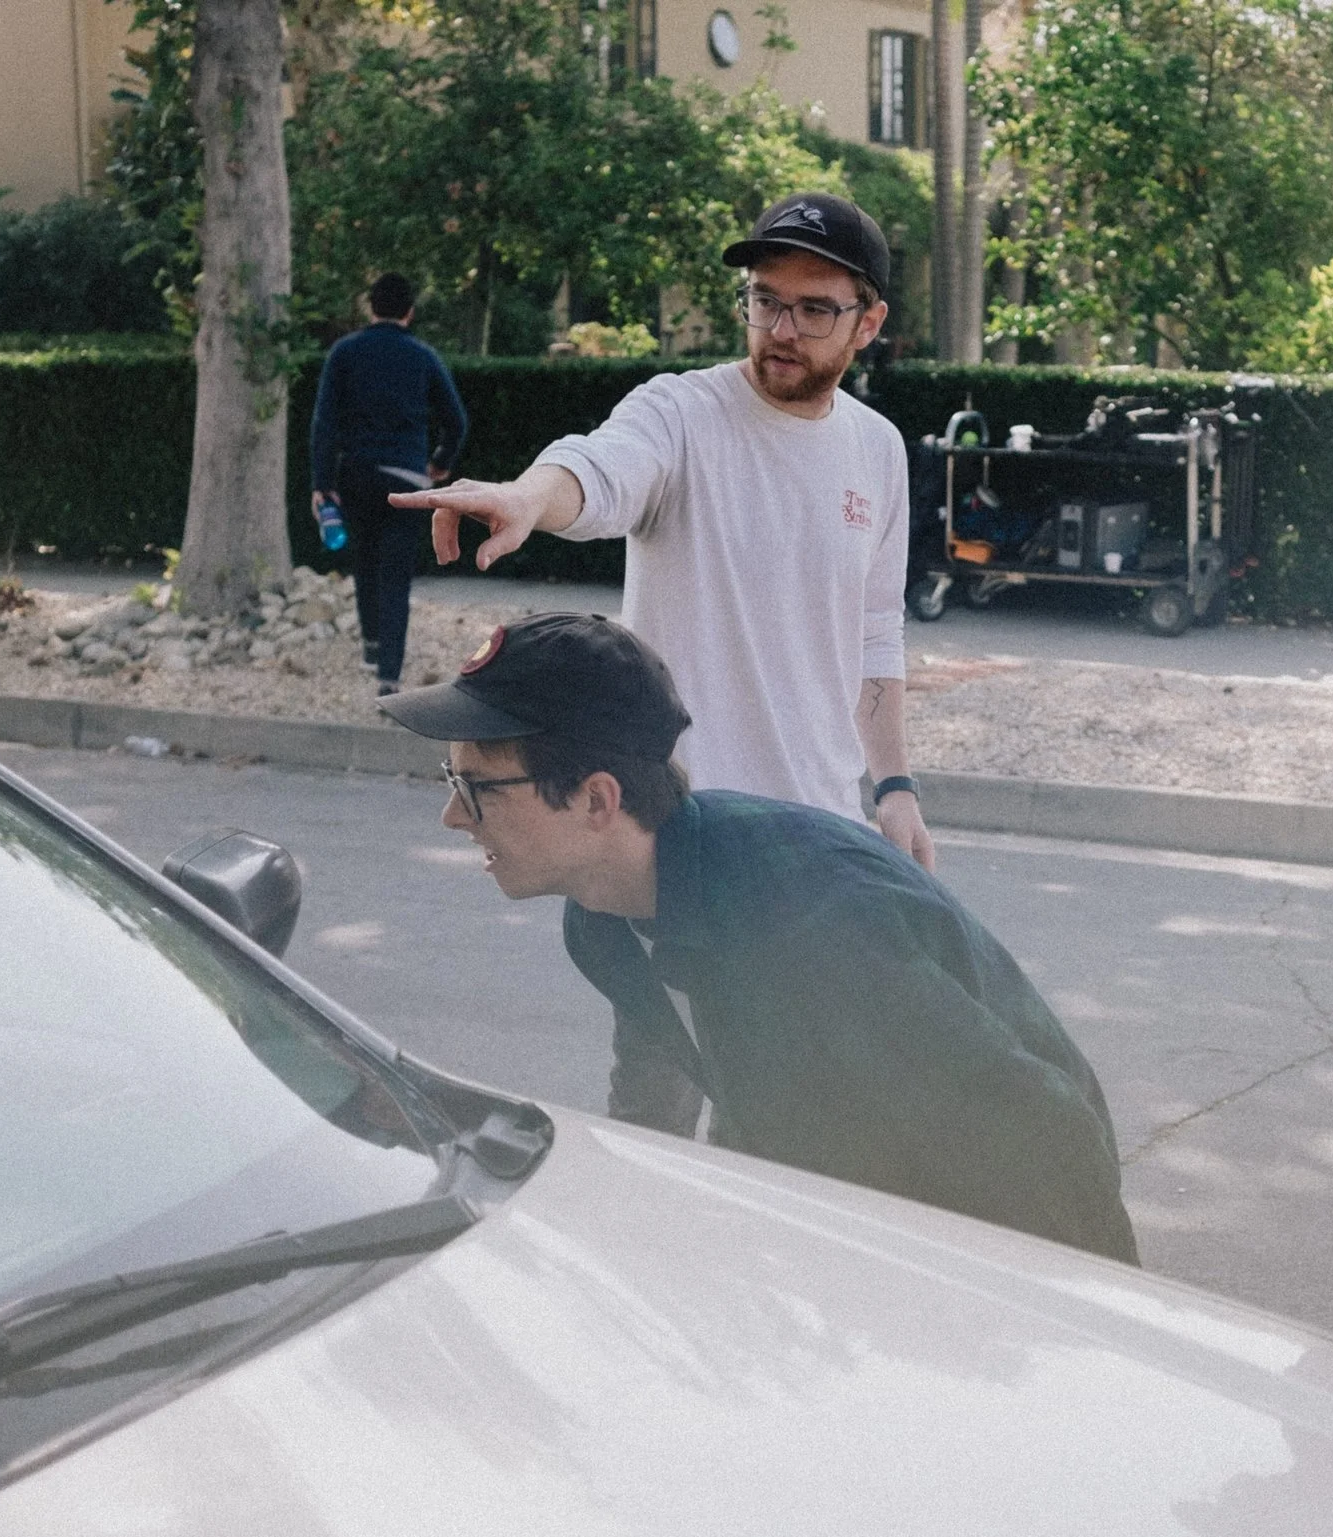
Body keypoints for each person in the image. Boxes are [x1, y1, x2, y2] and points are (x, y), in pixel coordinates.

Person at [381, 612, 1138, 1263]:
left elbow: (1041, 1133)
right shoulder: (601, 918)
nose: (453, 817)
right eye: (451, 781)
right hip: (846, 1234)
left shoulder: (812, 923)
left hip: (991, 1251)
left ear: (597, 801)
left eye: (474, 788)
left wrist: (1091, 1320)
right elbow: (674, 1084)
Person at [389, 193, 932, 869]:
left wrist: (895, 787)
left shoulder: (878, 447)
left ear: (868, 323)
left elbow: (875, 630)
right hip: (682, 835)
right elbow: (600, 467)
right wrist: (528, 496)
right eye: (765, 300)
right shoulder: (680, 412)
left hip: (823, 827)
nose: (781, 329)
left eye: (815, 310)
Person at [308, 272, 470, 696]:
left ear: (371, 307)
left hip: (357, 473)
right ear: (410, 312)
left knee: (364, 560)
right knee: (396, 576)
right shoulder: (423, 357)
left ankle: (372, 644)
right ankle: (389, 676)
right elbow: (456, 421)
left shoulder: (344, 352)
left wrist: (322, 482)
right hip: (408, 479)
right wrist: (439, 463)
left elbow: (324, 423)